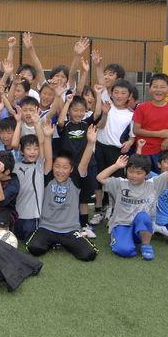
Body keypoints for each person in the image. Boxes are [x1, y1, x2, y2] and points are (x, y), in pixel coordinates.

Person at [97, 138, 168, 260]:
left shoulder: (153, 185)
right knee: (124, 250)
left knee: (143, 216)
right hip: (122, 224)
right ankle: (124, 239)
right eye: (131, 171)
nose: (134, 176)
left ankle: (145, 245)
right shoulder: (120, 184)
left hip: (141, 226)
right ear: (126, 171)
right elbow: (100, 178)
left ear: (146, 174)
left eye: (138, 173)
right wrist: (116, 166)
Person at [26, 124, 98, 262]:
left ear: (71, 170)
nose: (60, 171)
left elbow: (83, 164)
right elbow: (48, 159)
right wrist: (48, 137)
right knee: (34, 248)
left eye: (65, 167)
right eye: (57, 167)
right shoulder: (48, 178)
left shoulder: (75, 181)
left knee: (89, 254)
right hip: (47, 227)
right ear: (53, 167)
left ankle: (64, 242)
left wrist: (90, 143)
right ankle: (56, 242)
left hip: (70, 230)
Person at [57, 89, 103, 238]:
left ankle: (84, 225)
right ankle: (66, 222)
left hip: (85, 167)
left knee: (83, 198)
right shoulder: (66, 126)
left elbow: (97, 114)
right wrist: (68, 102)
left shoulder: (86, 124)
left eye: (81, 110)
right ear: (70, 111)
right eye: (75, 110)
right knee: (68, 196)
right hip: (68, 169)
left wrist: (98, 94)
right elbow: (60, 121)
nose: (78, 113)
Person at [92, 79, 135, 226]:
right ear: (111, 93)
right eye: (116, 92)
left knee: (116, 182)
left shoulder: (131, 115)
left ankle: (113, 210)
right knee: (98, 181)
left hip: (117, 152)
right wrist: (105, 114)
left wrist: (130, 142)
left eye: (123, 93)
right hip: (100, 147)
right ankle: (98, 210)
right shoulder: (106, 106)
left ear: (129, 96)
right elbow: (99, 126)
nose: (119, 95)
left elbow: (132, 135)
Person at [132, 73, 168, 171]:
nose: (158, 90)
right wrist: (158, 134)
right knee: (142, 178)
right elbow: (136, 130)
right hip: (143, 152)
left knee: (161, 179)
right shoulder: (142, 107)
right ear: (150, 89)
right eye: (155, 86)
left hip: (162, 153)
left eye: (162, 87)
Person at [136, 141, 168, 244]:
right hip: (151, 217)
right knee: (136, 235)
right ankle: (153, 227)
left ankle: (157, 229)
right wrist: (139, 148)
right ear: (159, 164)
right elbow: (139, 165)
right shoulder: (152, 177)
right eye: (166, 162)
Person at [12, 114, 54, 242]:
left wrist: (39, 127)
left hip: (34, 217)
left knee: (32, 241)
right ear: (22, 151)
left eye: (35, 149)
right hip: (17, 215)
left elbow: (45, 150)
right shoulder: (15, 167)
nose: (32, 151)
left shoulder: (39, 166)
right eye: (28, 149)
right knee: (17, 238)